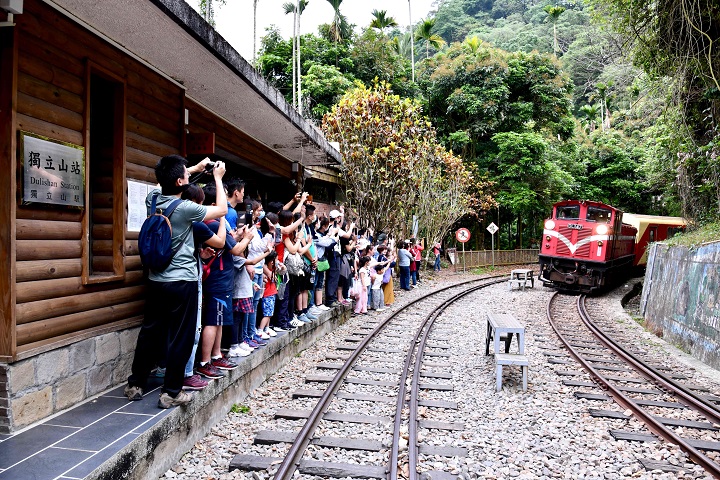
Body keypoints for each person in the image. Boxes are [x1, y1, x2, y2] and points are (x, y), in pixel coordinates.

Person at [125, 155, 227, 409]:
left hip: (155, 279)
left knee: (150, 331)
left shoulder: (153, 200)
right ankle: (171, 392)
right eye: (186, 174)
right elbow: (222, 210)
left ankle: (136, 384)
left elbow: (167, 182)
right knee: (181, 336)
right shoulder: (185, 209)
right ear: (181, 181)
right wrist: (217, 178)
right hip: (183, 281)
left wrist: (192, 169)